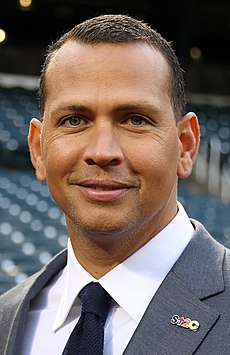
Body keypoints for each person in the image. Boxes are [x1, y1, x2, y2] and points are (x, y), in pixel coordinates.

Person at [0, 14, 230, 355]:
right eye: (74, 120)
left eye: (135, 119)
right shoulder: (6, 319)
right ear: (37, 149)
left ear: (186, 146)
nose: (102, 152)